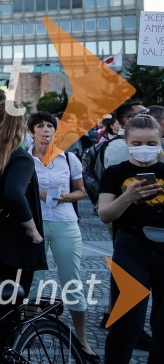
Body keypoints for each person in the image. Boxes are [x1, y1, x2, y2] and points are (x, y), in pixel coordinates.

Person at [26, 112, 98, 361]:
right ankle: (29, 330)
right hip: (36, 224)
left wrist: (65, 196)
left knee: (72, 280)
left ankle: (81, 337)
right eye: (40, 126)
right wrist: (39, 193)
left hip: (66, 222)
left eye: (49, 126)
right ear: (31, 131)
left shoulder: (69, 158)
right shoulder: (25, 159)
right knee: (34, 279)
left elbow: (81, 192)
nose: (45, 130)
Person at [0, 101, 46, 345]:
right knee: (10, 311)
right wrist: (33, 229)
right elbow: (14, 194)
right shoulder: (20, 157)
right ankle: (1, 355)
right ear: (23, 125)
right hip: (16, 242)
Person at [98, 114, 164, 362]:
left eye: (150, 143)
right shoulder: (116, 173)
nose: (144, 148)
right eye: (136, 143)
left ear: (160, 141)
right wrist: (128, 196)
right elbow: (105, 214)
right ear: (126, 142)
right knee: (127, 323)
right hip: (131, 248)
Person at [104, 101, 150, 169]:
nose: (150, 118)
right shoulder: (121, 146)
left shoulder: (133, 141)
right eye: (144, 114)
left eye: (149, 113)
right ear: (128, 121)